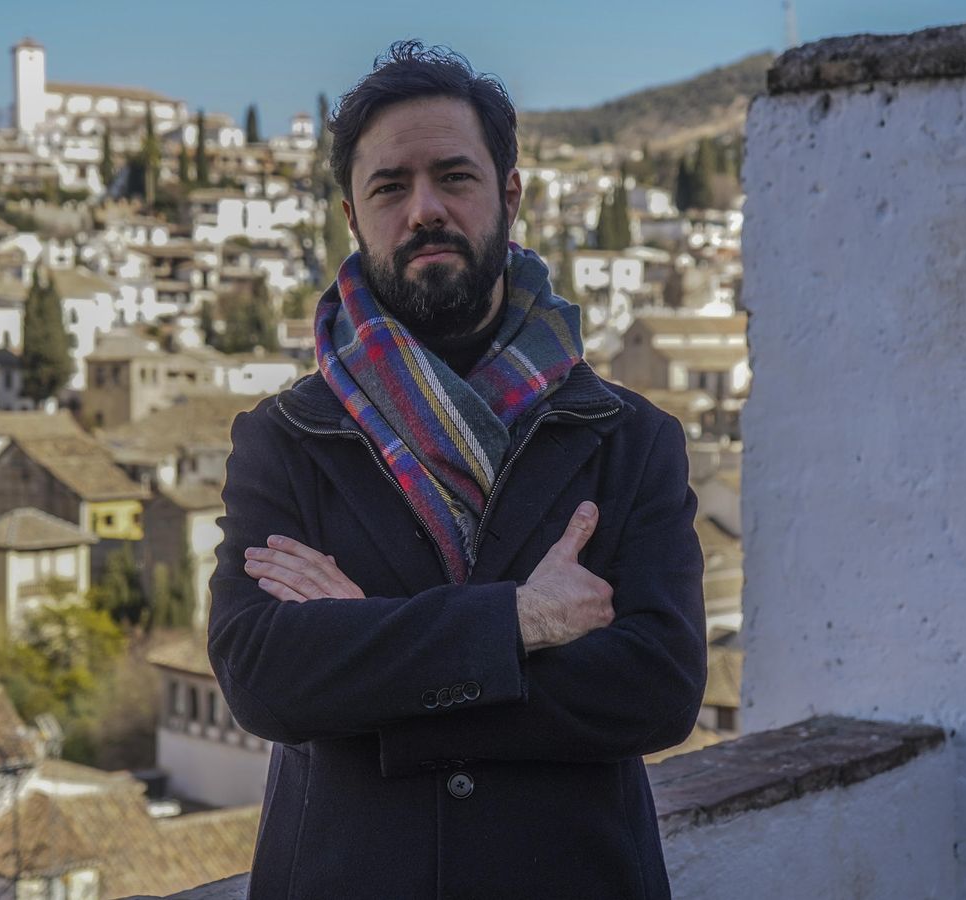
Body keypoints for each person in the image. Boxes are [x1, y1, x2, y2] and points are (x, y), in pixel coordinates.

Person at [209, 41, 707, 899]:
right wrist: (516, 622)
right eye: (390, 187)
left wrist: (373, 661)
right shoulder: (287, 437)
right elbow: (263, 674)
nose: (423, 209)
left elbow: (656, 687)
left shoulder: (628, 437)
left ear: (509, 195)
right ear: (352, 215)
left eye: (455, 177)